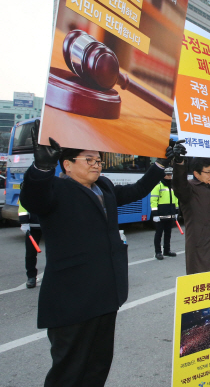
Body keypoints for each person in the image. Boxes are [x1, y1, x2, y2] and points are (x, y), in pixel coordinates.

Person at [19, 120, 173, 387]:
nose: (96, 163)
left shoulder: (104, 187)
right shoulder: (55, 190)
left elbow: (137, 190)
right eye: (88, 159)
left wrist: (160, 164)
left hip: (105, 295)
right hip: (72, 300)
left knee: (97, 366)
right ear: (67, 165)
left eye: (99, 159)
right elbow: (33, 199)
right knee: (68, 371)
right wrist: (42, 167)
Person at [150, 167, 179, 260]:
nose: (169, 176)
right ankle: (158, 252)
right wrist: (155, 214)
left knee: (168, 233)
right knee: (159, 233)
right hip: (160, 215)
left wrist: (177, 211)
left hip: (170, 214)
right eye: (167, 174)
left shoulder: (173, 186)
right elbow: (153, 200)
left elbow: (176, 199)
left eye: (170, 174)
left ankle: (167, 250)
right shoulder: (158, 185)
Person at [19, 204, 42, 288]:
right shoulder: (28, 190)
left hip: (49, 224)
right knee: (30, 253)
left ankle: (53, 276)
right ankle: (31, 277)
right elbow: (23, 206)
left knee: (53, 252)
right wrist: (24, 222)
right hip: (32, 226)